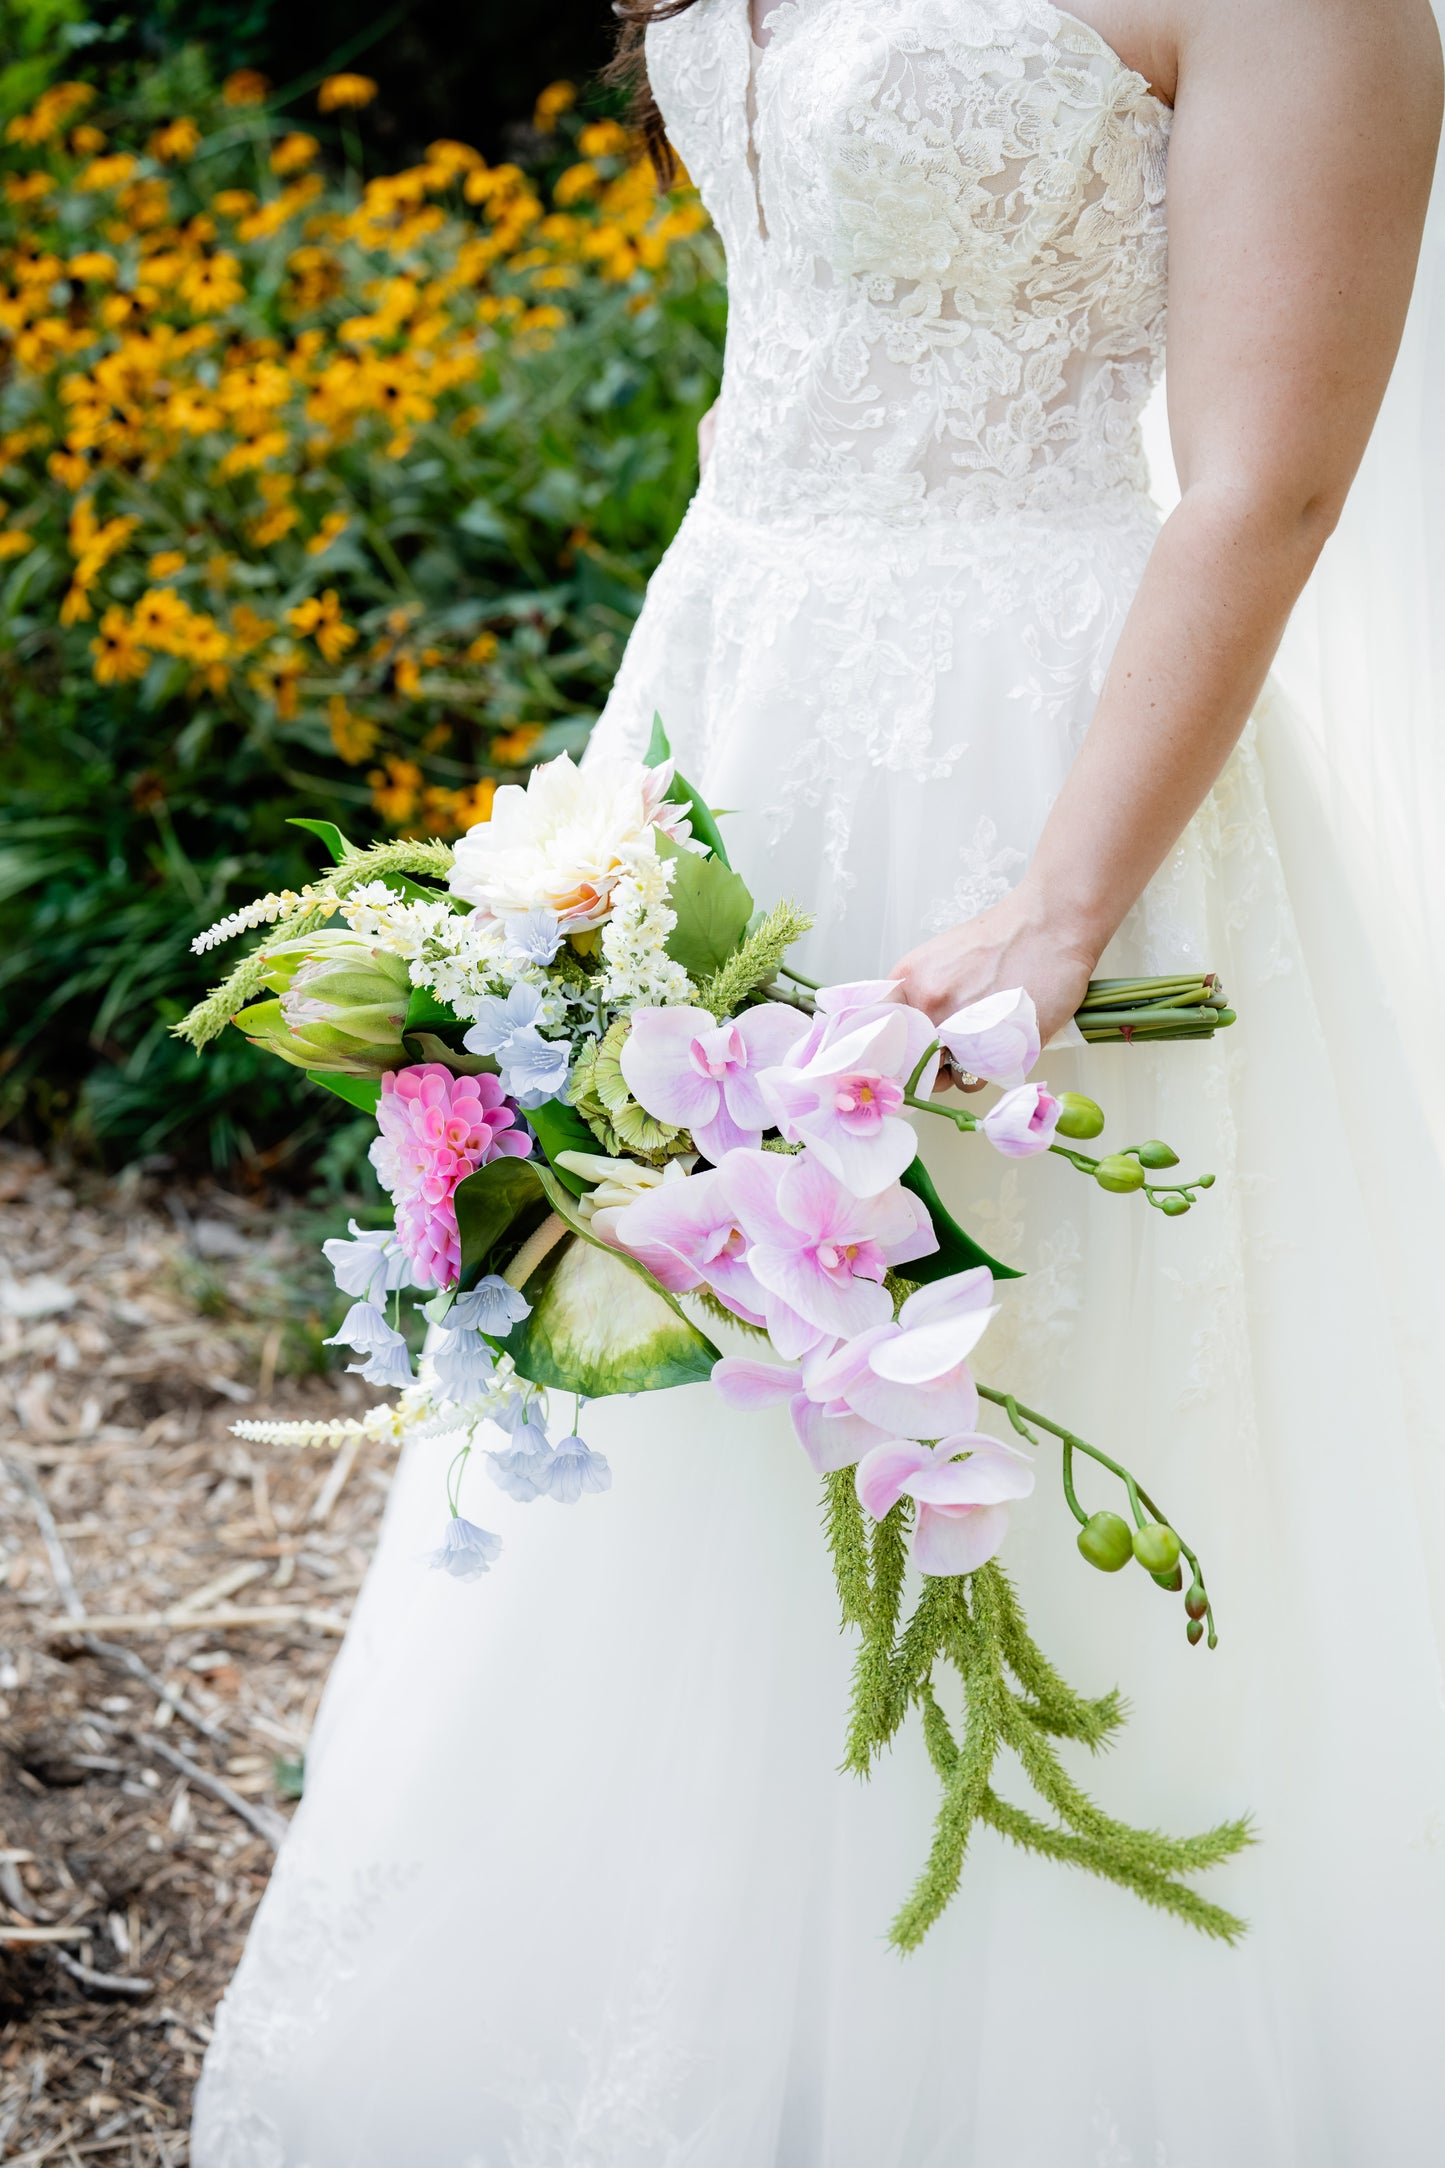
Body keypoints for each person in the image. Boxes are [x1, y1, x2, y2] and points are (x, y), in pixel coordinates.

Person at [192, 3, 1445, 2162]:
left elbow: (1271, 479)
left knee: (1010, 1411)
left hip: (1036, 760)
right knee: (683, 1418)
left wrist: (1056, 914)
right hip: (724, 713)